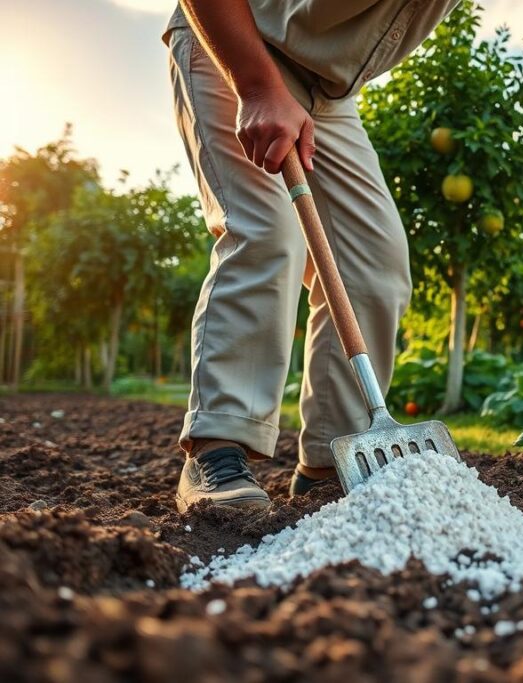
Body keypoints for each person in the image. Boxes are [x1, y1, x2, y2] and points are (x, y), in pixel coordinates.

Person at [165, 0, 459, 512]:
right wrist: (256, 87)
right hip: (239, 43)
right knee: (268, 231)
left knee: (374, 267)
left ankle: (330, 463)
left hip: (331, 92)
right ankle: (217, 446)